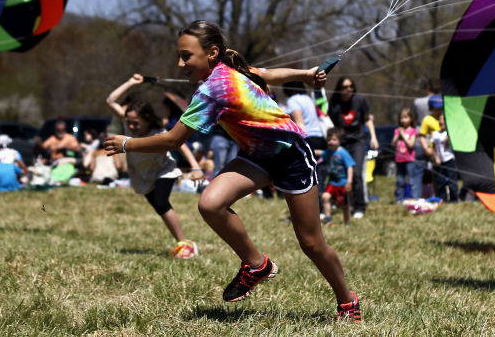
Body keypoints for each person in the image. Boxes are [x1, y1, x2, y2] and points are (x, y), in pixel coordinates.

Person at [103, 20, 361, 321]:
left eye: (187, 56)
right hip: (255, 156)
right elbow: (265, 74)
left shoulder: (217, 85)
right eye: (179, 55)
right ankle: (256, 265)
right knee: (210, 203)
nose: (179, 63)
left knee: (311, 243)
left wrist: (127, 144)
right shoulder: (216, 79)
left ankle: (347, 300)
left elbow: (173, 140)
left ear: (211, 53)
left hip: (291, 156)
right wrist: (305, 74)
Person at [103, 74, 203, 258]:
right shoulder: (127, 123)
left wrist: (195, 167)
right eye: (129, 122)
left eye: (136, 123)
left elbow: (181, 147)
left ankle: (186, 244)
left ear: (148, 120)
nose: (131, 126)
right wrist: (130, 82)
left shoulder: (159, 132)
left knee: (161, 202)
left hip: (164, 171)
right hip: (142, 176)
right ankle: (182, 242)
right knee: (160, 208)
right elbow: (111, 100)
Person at [327, 76, 377, 219]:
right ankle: (340, 202)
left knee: (356, 173)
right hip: (342, 143)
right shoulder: (334, 103)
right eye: (345, 87)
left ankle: (359, 206)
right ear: (339, 89)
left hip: (358, 142)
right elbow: (330, 123)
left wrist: (373, 137)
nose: (349, 89)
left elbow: (367, 119)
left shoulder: (359, 100)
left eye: (351, 86)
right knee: (338, 173)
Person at [410, 78, 439, 198]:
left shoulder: (418, 102)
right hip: (436, 141)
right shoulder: (443, 101)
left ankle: (417, 197)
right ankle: (439, 195)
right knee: (437, 171)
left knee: (418, 172)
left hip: (420, 140)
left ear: (427, 87)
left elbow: (415, 119)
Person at [320, 127, 355, 225]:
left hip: (342, 183)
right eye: (329, 139)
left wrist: (349, 182)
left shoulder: (343, 152)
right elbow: (321, 153)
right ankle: (328, 219)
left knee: (344, 205)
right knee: (325, 197)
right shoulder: (328, 152)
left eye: (334, 139)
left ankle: (347, 222)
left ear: (340, 140)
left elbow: (350, 167)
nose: (331, 142)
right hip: (332, 182)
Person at [283, 81, 325, 153]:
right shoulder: (307, 98)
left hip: (308, 137)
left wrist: (303, 142)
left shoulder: (293, 100)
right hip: (320, 136)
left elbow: (300, 122)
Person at [430, 113, 459, 202]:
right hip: (440, 161)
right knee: (440, 181)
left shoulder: (449, 133)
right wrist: (436, 157)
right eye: (440, 119)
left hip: (450, 159)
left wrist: (449, 139)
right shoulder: (435, 134)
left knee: (452, 181)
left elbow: (454, 147)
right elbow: (432, 147)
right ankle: (443, 199)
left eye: (443, 120)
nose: (442, 121)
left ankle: (454, 199)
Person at [392, 107, 419, 202]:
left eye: (405, 117)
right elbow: (393, 144)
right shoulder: (397, 131)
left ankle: (414, 198)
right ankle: (399, 199)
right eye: (401, 118)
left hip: (410, 159)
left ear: (411, 119)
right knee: (400, 180)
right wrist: (397, 135)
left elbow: (411, 144)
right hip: (399, 159)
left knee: (412, 180)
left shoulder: (413, 131)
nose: (403, 120)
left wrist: (403, 135)